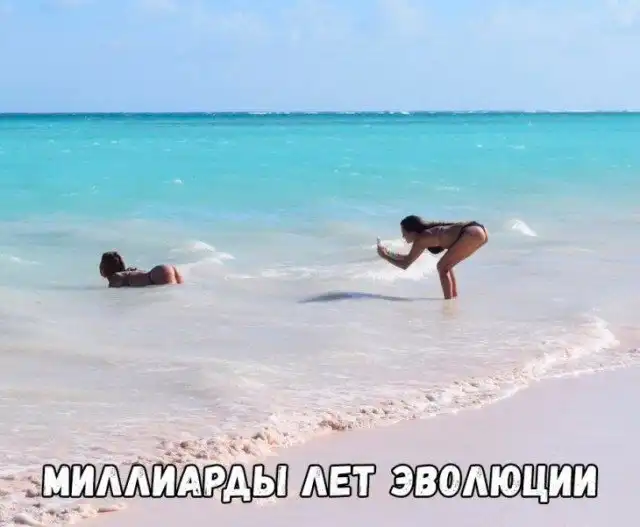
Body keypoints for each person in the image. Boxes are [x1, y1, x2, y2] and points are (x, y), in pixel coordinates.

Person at [376, 215, 488, 300]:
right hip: (478, 231)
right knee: (446, 266)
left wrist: (384, 256)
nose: (403, 236)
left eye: (404, 233)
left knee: (441, 266)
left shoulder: (421, 239)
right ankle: (453, 299)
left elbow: (405, 264)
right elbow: (408, 258)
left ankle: (449, 304)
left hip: (471, 233)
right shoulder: (426, 236)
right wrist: (388, 253)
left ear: (412, 232)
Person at [99, 251, 184, 288]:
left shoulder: (115, 278)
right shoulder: (127, 273)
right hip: (161, 270)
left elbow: (116, 299)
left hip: (156, 276)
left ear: (104, 267)